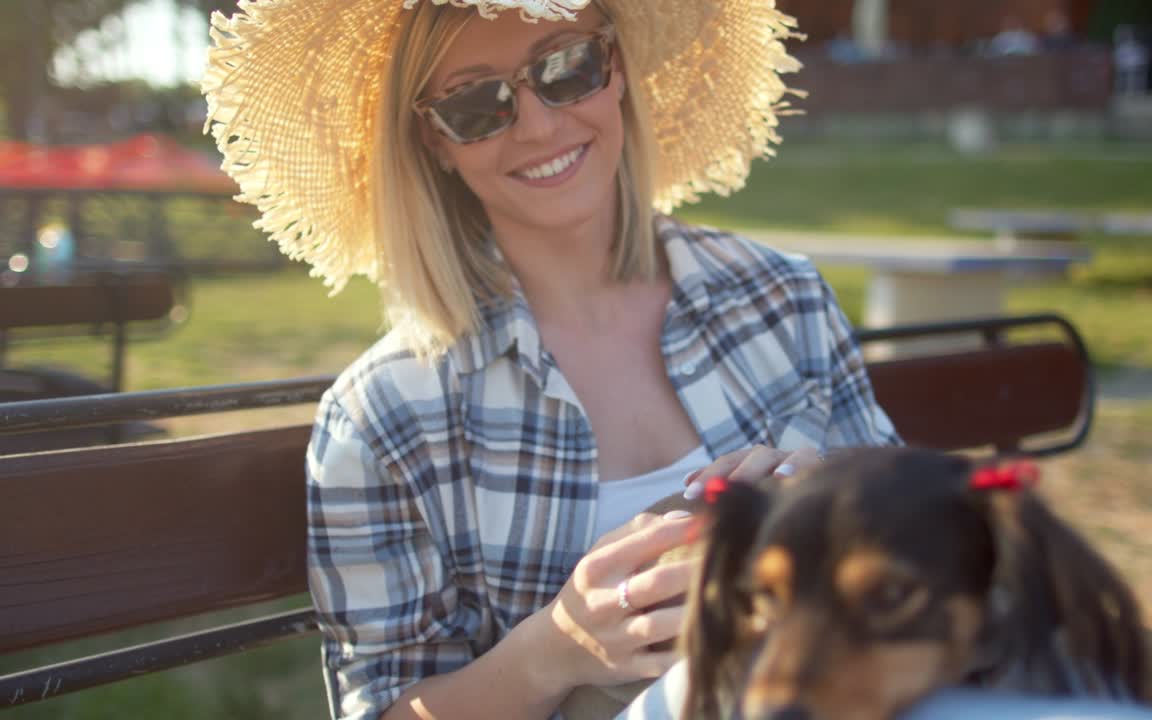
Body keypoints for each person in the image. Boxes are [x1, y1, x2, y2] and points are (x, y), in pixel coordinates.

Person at [201, 1, 899, 719]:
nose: (537, 126)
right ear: (435, 139)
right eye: (476, 104)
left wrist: (833, 505)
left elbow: (925, 544)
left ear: (617, 69)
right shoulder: (385, 416)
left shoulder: (780, 297)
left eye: (567, 68)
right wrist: (556, 649)